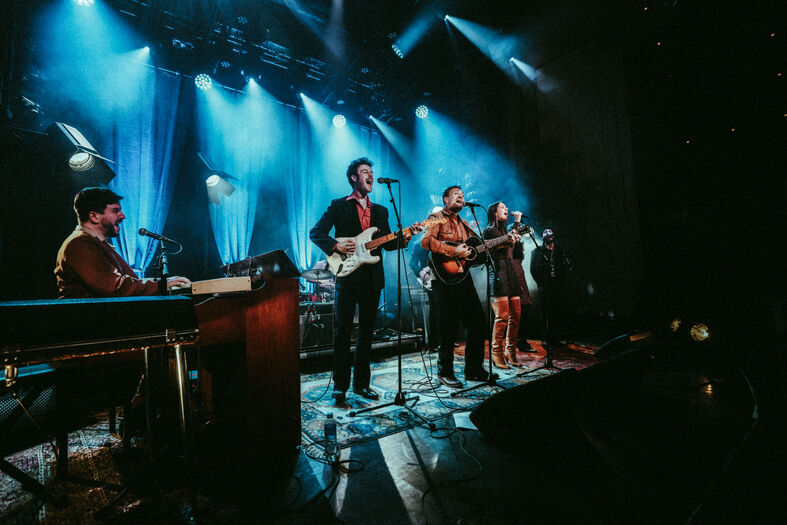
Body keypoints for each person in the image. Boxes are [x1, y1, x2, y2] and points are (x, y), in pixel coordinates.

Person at [310, 157, 420, 404]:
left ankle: (362, 385)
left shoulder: (381, 211)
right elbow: (315, 233)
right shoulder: (338, 206)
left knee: (367, 332)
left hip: (372, 278)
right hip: (347, 275)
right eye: (365, 171)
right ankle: (340, 387)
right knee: (342, 332)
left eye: (372, 172)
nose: (370, 175)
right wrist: (336, 244)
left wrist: (406, 236)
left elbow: (390, 245)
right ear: (354, 177)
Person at [55, 187, 190, 298]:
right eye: (115, 210)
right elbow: (115, 287)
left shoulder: (94, 243)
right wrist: (163, 285)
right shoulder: (80, 244)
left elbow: (124, 283)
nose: (123, 216)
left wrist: (165, 282)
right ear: (94, 216)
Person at [420, 185, 490, 388]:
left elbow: (474, 252)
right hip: (443, 279)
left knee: (477, 322)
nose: (461, 196)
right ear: (445, 199)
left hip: (463, 278)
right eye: (455, 194)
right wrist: (453, 251)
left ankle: (474, 370)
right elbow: (426, 241)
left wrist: (501, 242)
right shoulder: (436, 217)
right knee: (448, 327)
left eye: (462, 194)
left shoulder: (465, 223)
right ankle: (444, 372)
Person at [483, 202, 525, 369]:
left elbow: (511, 242)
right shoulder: (489, 231)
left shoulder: (502, 231)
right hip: (498, 274)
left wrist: (516, 225)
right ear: (494, 212)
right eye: (502, 207)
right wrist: (517, 222)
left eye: (506, 207)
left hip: (510, 272)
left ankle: (511, 351)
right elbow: (508, 241)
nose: (506, 209)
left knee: (516, 315)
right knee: (502, 317)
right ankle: (496, 353)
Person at [530, 228, 571, 348]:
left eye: (551, 234)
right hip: (545, 287)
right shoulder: (537, 252)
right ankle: (545, 338)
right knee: (546, 313)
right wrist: (541, 284)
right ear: (543, 238)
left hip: (558, 286)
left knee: (558, 312)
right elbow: (534, 270)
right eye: (546, 235)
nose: (549, 236)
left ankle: (557, 337)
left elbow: (565, 267)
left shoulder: (559, 250)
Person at [510, 211, 536, 353]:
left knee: (524, 311)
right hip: (514, 279)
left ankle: (520, 340)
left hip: (521, 278)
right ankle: (518, 341)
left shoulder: (518, 246)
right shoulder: (510, 245)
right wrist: (517, 221)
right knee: (518, 313)